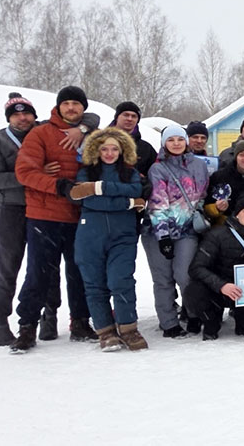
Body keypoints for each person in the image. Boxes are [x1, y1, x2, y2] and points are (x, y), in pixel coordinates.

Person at [10, 86, 100, 353]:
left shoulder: (92, 135)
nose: (71, 108)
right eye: (66, 103)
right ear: (58, 107)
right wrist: (58, 185)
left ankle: (80, 322)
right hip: (44, 215)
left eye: (76, 103)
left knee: (79, 271)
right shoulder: (40, 133)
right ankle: (27, 326)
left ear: (83, 108)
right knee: (39, 272)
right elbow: (25, 172)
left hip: (80, 216)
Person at [0, 93, 62, 346]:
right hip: (12, 210)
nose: (22, 118)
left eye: (26, 113)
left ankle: (49, 315)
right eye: (16, 114)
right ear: (8, 118)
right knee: (8, 266)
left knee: (47, 265)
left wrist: (78, 129)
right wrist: (32, 174)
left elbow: (88, 117)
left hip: (44, 207)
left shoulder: (45, 132)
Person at [69, 127, 148, 352]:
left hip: (123, 235)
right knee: (95, 284)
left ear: (122, 151)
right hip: (90, 235)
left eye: (114, 149)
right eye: (104, 149)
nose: (110, 153)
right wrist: (127, 203)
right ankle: (105, 332)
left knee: (121, 280)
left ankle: (129, 328)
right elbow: (86, 200)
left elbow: (135, 190)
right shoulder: (86, 173)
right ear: (97, 150)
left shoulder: (130, 173)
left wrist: (99, 188)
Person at [145, 125, 210, 337]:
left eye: (180, 139)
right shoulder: (157, 169)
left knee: (185, 275)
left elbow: (202, 195)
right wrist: (163, 235)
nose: (176, 143)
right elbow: (158, 204)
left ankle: (192, 313)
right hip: (158, 232)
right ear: (164, 143)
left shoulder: (199, 166)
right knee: (163, 279)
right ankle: (169, 323)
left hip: (187, 231)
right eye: (171, 140)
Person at [184, 194, 244, 340]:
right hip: (223, 288)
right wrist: (221, 285)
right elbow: (196, 268)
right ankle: (211, 321)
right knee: (193, 292)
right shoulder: (217, 235)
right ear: (237, 213)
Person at [110, 101, 157, 178]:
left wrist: (143, 181)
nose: (129, 119)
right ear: (117, 117)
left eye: (134, 116)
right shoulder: (100, 141)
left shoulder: (146, 149)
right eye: (126, 115)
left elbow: (155, 176)